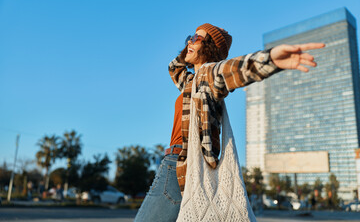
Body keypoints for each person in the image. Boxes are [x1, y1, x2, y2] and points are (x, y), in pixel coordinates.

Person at [134, 23, 325, 222]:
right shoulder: (191, 83)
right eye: (190, 37)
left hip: (181, 164)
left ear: (210, 48)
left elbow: (232, 71)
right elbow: (174, 68)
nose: (190, 41)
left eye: (198, 38)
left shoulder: (208, 76)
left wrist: (271, 59)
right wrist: (191, 47)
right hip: (177, 164)